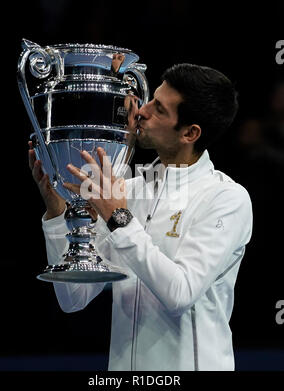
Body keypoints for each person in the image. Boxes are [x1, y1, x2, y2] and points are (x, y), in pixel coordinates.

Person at [29, 63, 253, 371]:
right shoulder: (127, 191)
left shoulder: (227, 199)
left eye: (159, 109)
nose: (141, 111)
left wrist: (118, 218)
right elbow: (73, 296)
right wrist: (57, 212)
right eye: (151, 100)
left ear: (190, 133)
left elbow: (180, 293)